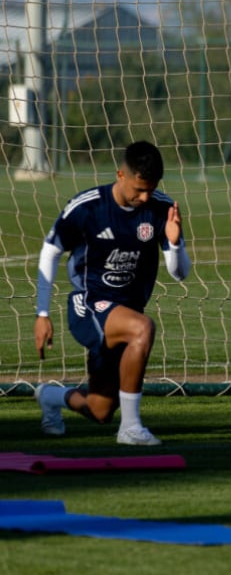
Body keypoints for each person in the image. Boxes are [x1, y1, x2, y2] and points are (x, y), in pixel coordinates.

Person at [33, 141, 191, 446]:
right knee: (143, 329)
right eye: (139, 190)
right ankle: (130, 428)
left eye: (151, 190)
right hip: (89, 305)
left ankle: (50, 396)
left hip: (125, 313)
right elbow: (50, 251)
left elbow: (180, 273)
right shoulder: (88, 207)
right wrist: (42, 314)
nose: (145, 198)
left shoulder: (161, 208)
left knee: (100, 410)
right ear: (121, 174)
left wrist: (175, 243)